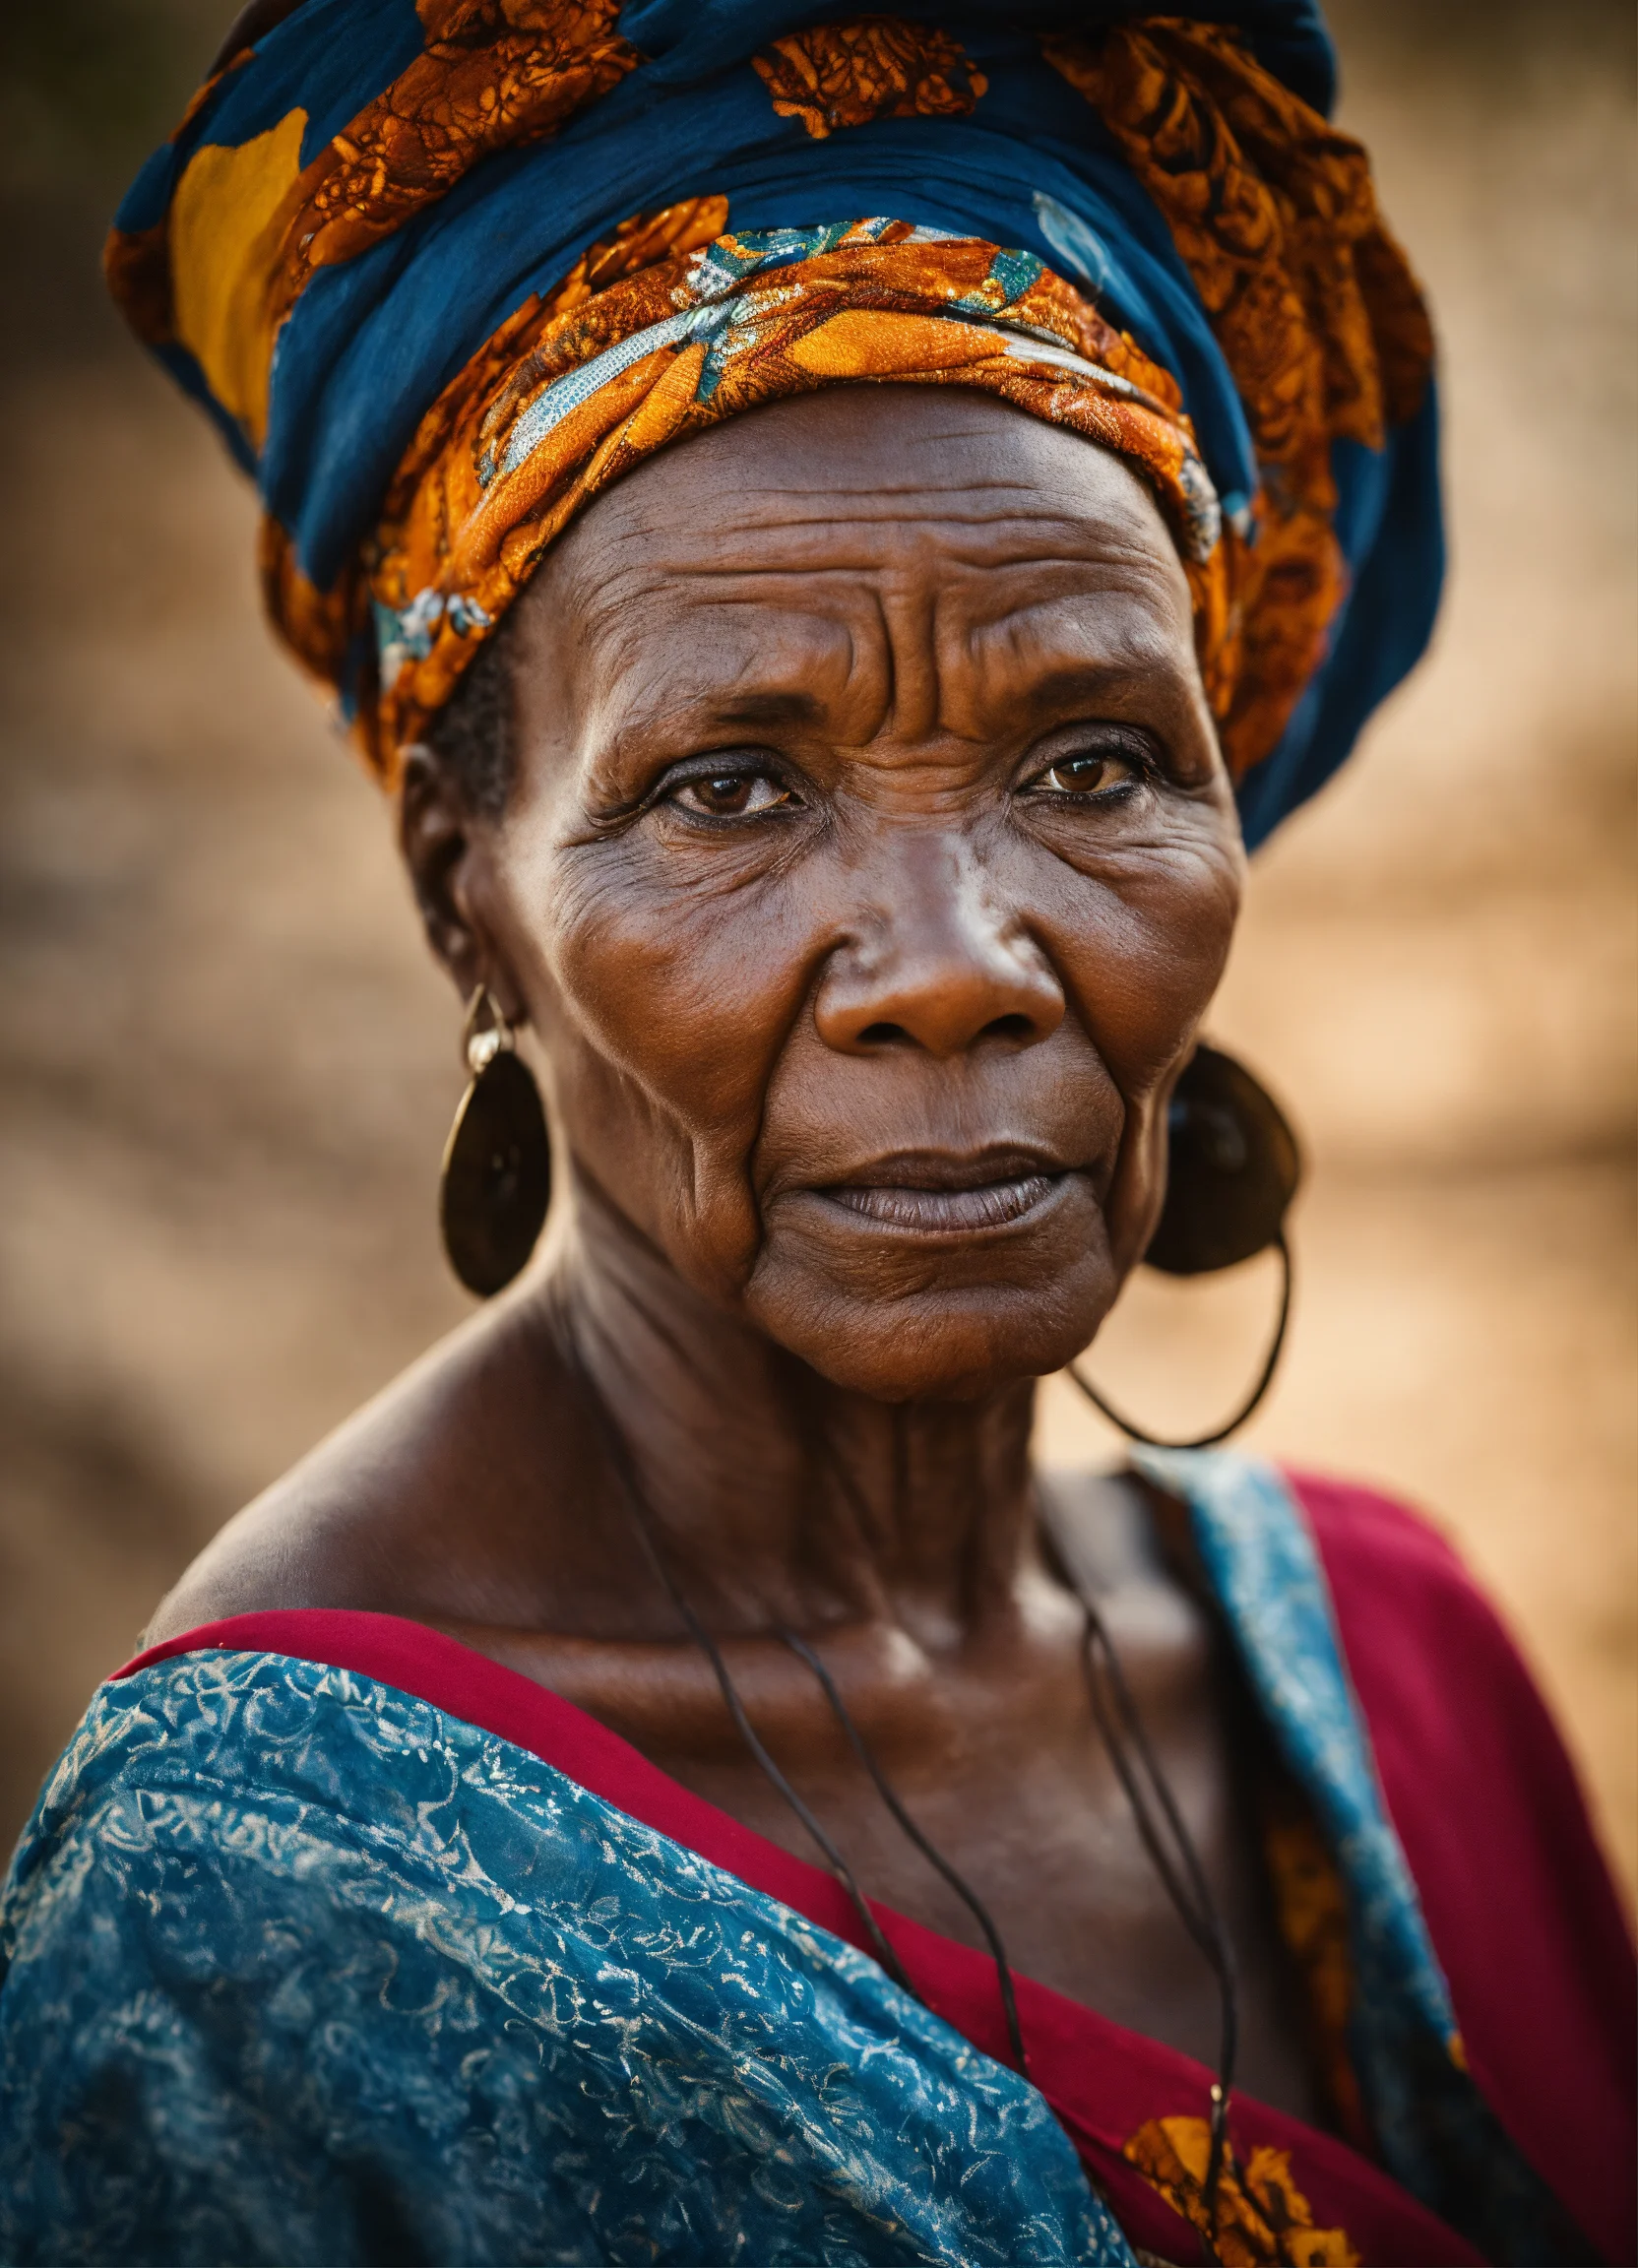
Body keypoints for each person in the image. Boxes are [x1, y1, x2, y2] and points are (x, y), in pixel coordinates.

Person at [0, 4, 1630, 2263]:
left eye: (1090, 763)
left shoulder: (1402, 1663)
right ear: (463, 895)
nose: (953, 958)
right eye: (729, 788)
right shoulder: (258, 1913)